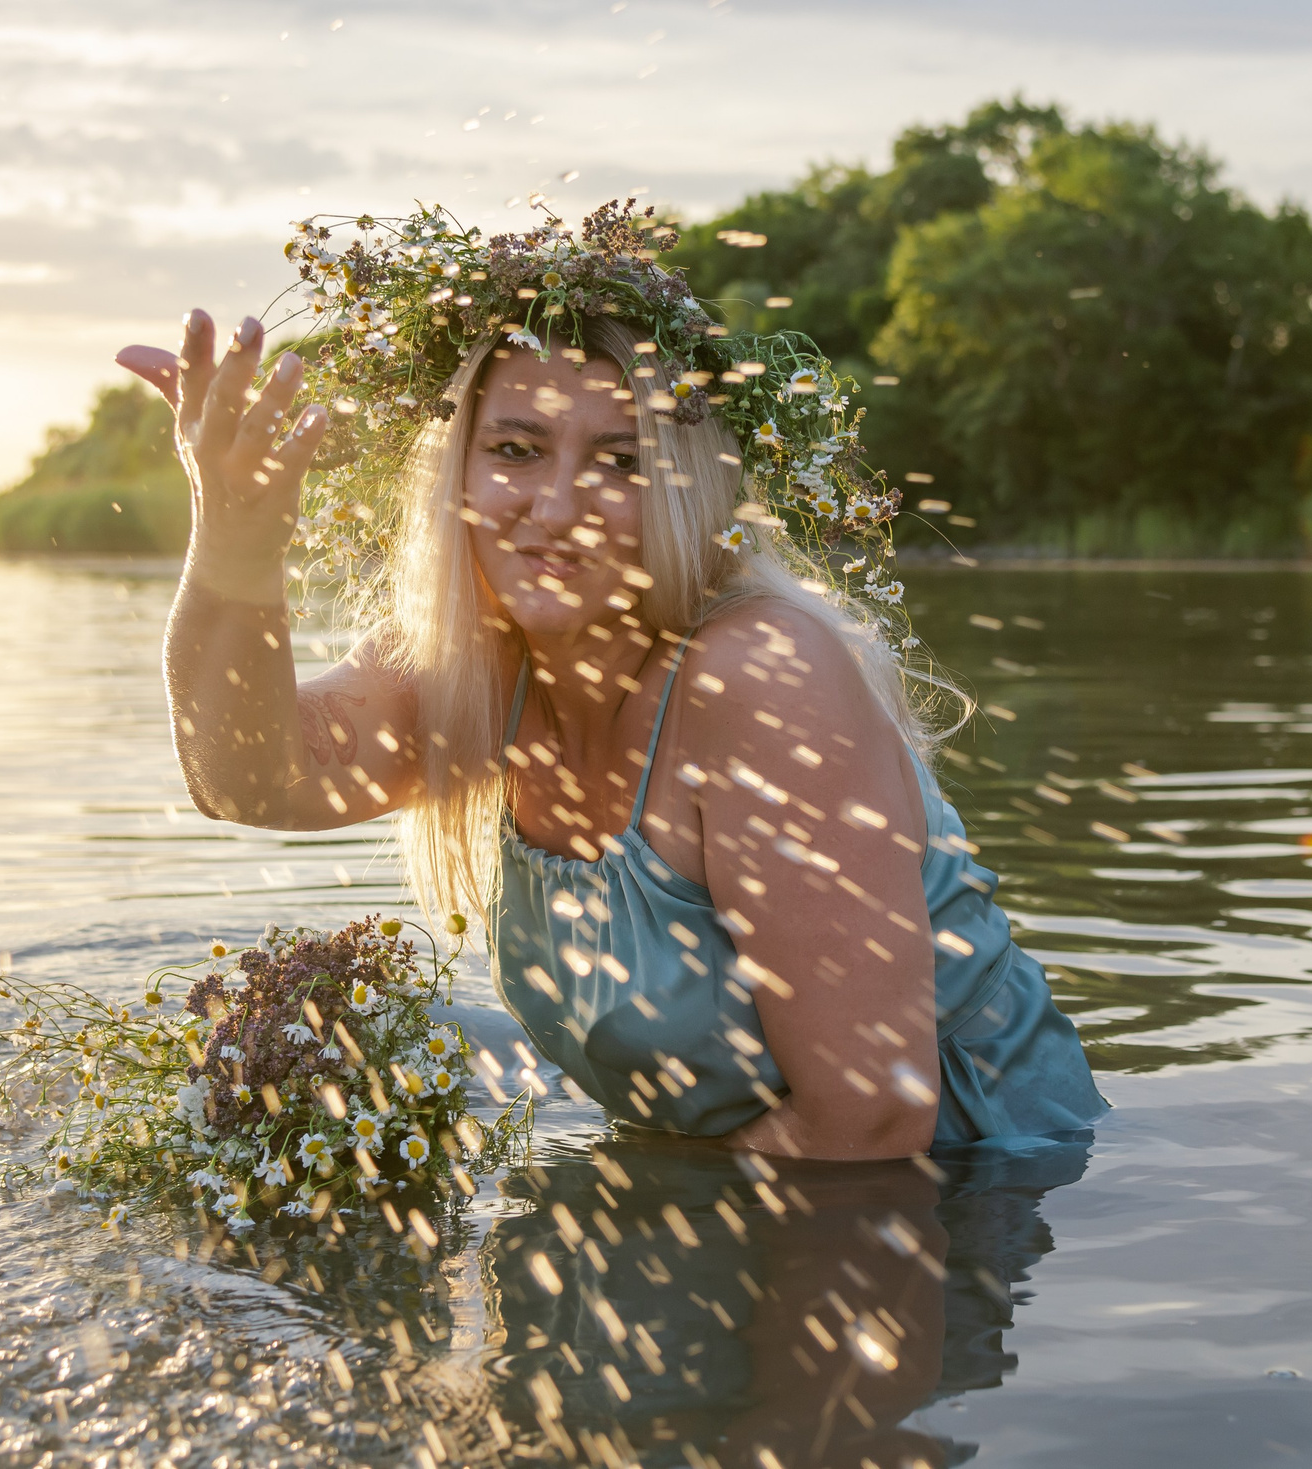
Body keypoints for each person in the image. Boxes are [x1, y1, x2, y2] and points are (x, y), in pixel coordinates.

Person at [118, 206, 1102, 1163]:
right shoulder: (467, 671)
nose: (556, 508)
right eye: (515, 450)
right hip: (757, 1176)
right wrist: (236, 546)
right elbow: (246, 781)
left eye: (621, 462)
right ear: (456, 471)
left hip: (974, 1191)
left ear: (688, 488)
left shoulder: (762, 677)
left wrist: (612, 1208)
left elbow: (869, 1127)